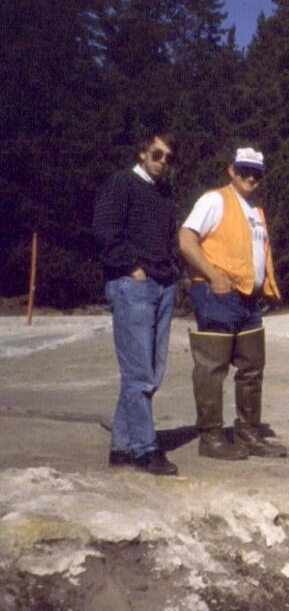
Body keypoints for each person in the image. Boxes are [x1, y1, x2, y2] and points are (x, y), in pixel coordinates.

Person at [178, 147, 287, 459]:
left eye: (257, 172)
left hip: (248, 299)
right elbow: (186, 239)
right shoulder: (215, 200)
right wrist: (214, 277)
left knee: (252, 366)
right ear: (232, 171)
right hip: (218, 295)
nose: (251, 177)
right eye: (244, 170)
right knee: (213, 366)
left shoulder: (255, 209)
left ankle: (249, 433)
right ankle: (210, 437)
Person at [92, 132, 180, 476]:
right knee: (139, 373)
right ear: (143, 152)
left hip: (162, 284)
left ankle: (122, 446)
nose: (163, 163)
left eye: (169, 158)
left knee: (149, 372)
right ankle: (146, 450)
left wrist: (172, 272)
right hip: (133, 286)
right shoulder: (122, 184)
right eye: (157, 155)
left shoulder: (164, 193)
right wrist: (133, 268)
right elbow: (103, 232)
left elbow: (170, 236)